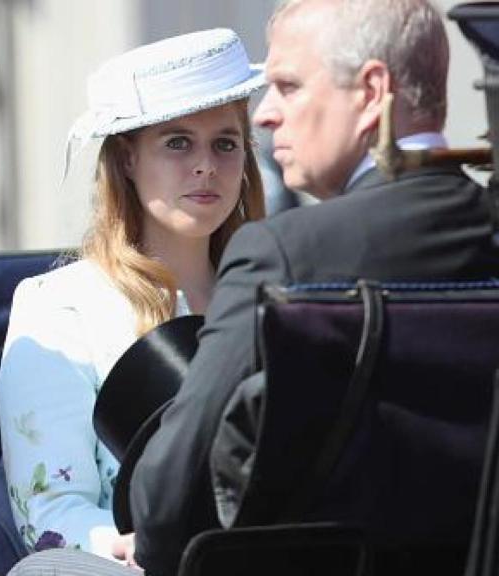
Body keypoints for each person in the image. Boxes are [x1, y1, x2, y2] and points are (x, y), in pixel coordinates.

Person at [126, 0, 499, 573]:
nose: (264, 115)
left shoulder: (283, 253)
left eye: (288, 86)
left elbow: (167, 496)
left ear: (373, 91)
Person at [0, 28, 265, 566]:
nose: (206, 165)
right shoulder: (62, 306)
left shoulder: (271, 294)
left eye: (225, 143)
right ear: (126, 160)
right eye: (177, 142)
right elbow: (49, 512)